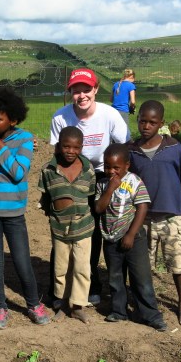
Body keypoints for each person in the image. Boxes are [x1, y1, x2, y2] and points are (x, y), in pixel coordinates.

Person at [0, 87, 50, 330]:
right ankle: (0, 308)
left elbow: (18, 173)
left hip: (14, 212)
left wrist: (0, 148)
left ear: (12, 120)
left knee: (22, 259)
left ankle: (33, 304)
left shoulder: (24, 140)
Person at [50, 68, 130, 307]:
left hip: (104, 174)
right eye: (76, 90)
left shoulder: (110, 115)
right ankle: (60, 289)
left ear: (95, 90)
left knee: (99, 231)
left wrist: (118, 180)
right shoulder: (60, 118)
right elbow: (56, 152)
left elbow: (125, 147)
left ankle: (94, 283)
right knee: (70, 230)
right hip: (72, 175)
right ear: (71, 92)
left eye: (87, 89)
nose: (82, 95)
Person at [128, 100, 181, 326]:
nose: (146, 126)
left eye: (152, 122)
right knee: (143, 265)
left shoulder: (174, 149)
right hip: (142, 217)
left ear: (161, 124)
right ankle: (144, 303)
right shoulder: (132, 151)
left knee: (178, 262)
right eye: (142, 121)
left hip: (170, 216)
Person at [95, 144, 167, 331]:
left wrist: (131, 234)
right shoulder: (103, 184)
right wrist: (109, 189)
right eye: (107, 166)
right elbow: (98, 208)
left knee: (141, 278)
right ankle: (119, 311)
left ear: (126, 165)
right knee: (115, 278)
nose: (111, 171)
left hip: (133, 238)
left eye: (116, 167)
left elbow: (142, 207)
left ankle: (151, 315)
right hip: (111, 238)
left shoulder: (135, 181)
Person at [38, 126, 96, 324]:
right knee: (61, 268)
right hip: (59, 229)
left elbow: (90, 197)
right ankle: (62, 304)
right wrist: (55, 215)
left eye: (76, 147)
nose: (71, 151)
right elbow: (45, 199)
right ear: (58, 146)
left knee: (81, 267)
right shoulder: (48, 170)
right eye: (66, 146)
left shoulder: (88, 170)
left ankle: (78, 305)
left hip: (84, 228)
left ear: (81, 147)